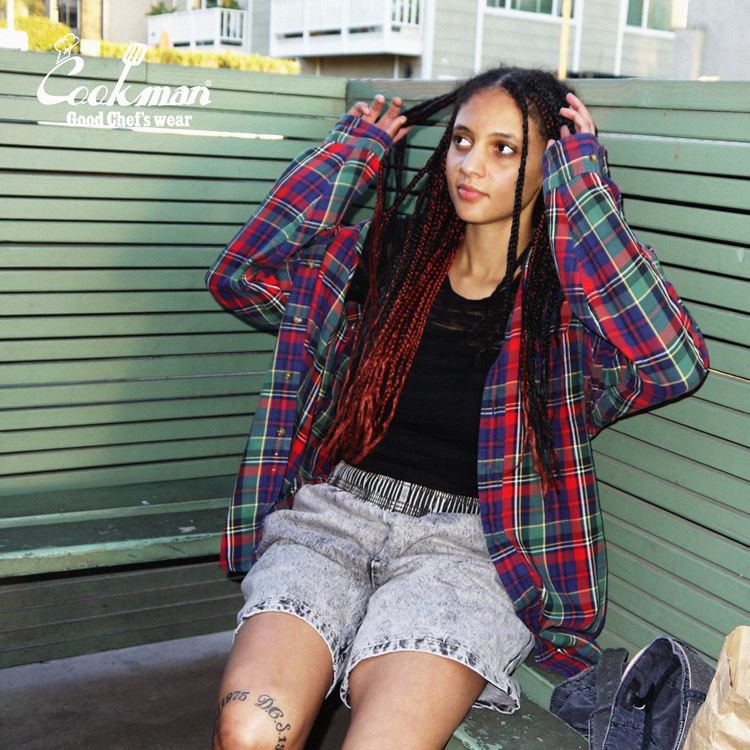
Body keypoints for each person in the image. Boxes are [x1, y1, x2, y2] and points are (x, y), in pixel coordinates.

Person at [204, 65, 709, 750]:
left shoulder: (565, 313)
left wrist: (585, 190)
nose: (470, 164)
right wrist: (348, 157)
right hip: (332, 520)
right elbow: (241, 277)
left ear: (551, 165)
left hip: (471, 554)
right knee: (250, 728)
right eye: (462, 140)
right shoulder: (384, 256)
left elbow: (673, 360)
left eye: (505, 149)